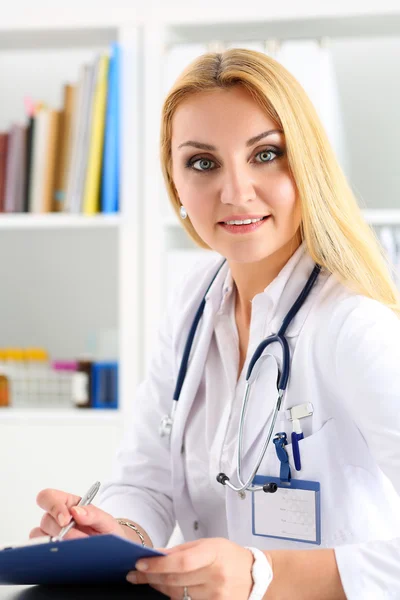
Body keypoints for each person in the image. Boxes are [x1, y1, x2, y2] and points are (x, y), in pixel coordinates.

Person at [31, 49, 400, 599]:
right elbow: (145, 482)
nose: (234, 191)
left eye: (266, 154)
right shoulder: (193, 302)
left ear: (307, 164)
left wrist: (264, 576)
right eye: (203, 163)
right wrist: (116, 534)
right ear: (176, 183)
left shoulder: (355, 327)